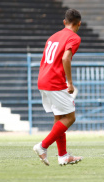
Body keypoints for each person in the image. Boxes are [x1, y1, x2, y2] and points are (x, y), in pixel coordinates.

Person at [33, 9, 83, 166]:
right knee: (70, 117)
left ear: (64, 22)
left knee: (59, 118)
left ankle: (63, 156)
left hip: (43, 79)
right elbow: (66, 58)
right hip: (55, 81)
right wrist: (70, 82)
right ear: (79, 23)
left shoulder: (53, 37)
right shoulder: (74, 38)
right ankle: (43, 146)